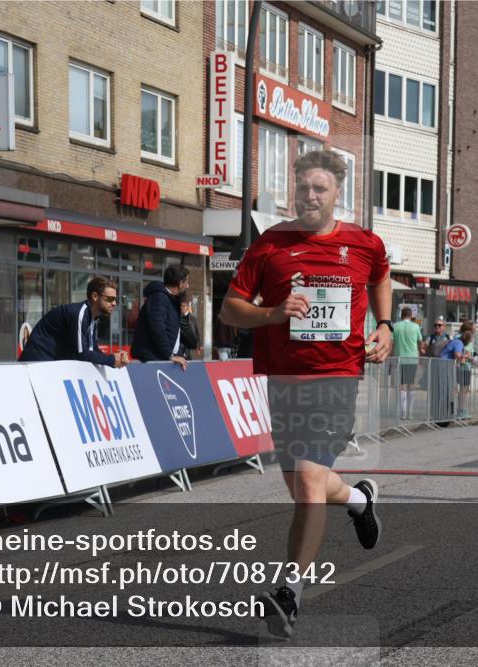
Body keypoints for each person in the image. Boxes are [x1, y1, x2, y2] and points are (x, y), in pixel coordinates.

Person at [219, 149, 392, 638]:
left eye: (320, 189)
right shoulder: (269, 246)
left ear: (337, 193)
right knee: (303, 488)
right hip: (283, 381)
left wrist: (383, 323)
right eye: (303, 189)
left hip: (336, 379)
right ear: (293, 191)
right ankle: (359, 501)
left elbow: (381, 276)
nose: (310, 196)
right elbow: (231, 310)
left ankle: (289, 594)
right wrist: (273, 313)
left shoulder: (364, 243)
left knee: (310, 487)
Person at [18, 276, 129, 368]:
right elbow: (82, 353)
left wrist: (115, 358)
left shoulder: (92, 317)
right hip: (34, 365)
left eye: (116, 299)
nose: (114, 303)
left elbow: (92, 349)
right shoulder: (79, 313)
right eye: (109, 299)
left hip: (48, 365)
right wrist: (112, 359)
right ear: (95, 296)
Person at [131, 264, 190, 370]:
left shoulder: (172, 300)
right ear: (181, 283)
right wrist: (170, 355)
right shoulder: (159, 297)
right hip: (152, 360)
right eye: (186, 282)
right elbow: (158, 329)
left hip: (161, 358)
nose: (187, 285)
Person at [393, 307, 422, 420]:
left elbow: (391, 343)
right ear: (411, 316)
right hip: (412, 359)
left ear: (401, 315)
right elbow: (420, 341)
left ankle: (403, 412)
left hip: (399, 358)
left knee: (402, 385)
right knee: (411, 384)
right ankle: (410, 412)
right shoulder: (415, 326)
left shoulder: (395, 326)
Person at [440, 330, 474, 418]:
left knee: (449, 390)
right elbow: (457, 355)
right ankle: (448, 413)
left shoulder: (456, 341)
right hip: (444, 366)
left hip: (444, 365)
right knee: (448, 390)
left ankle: (447, 412)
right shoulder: (459, 343)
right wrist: (466, 357)